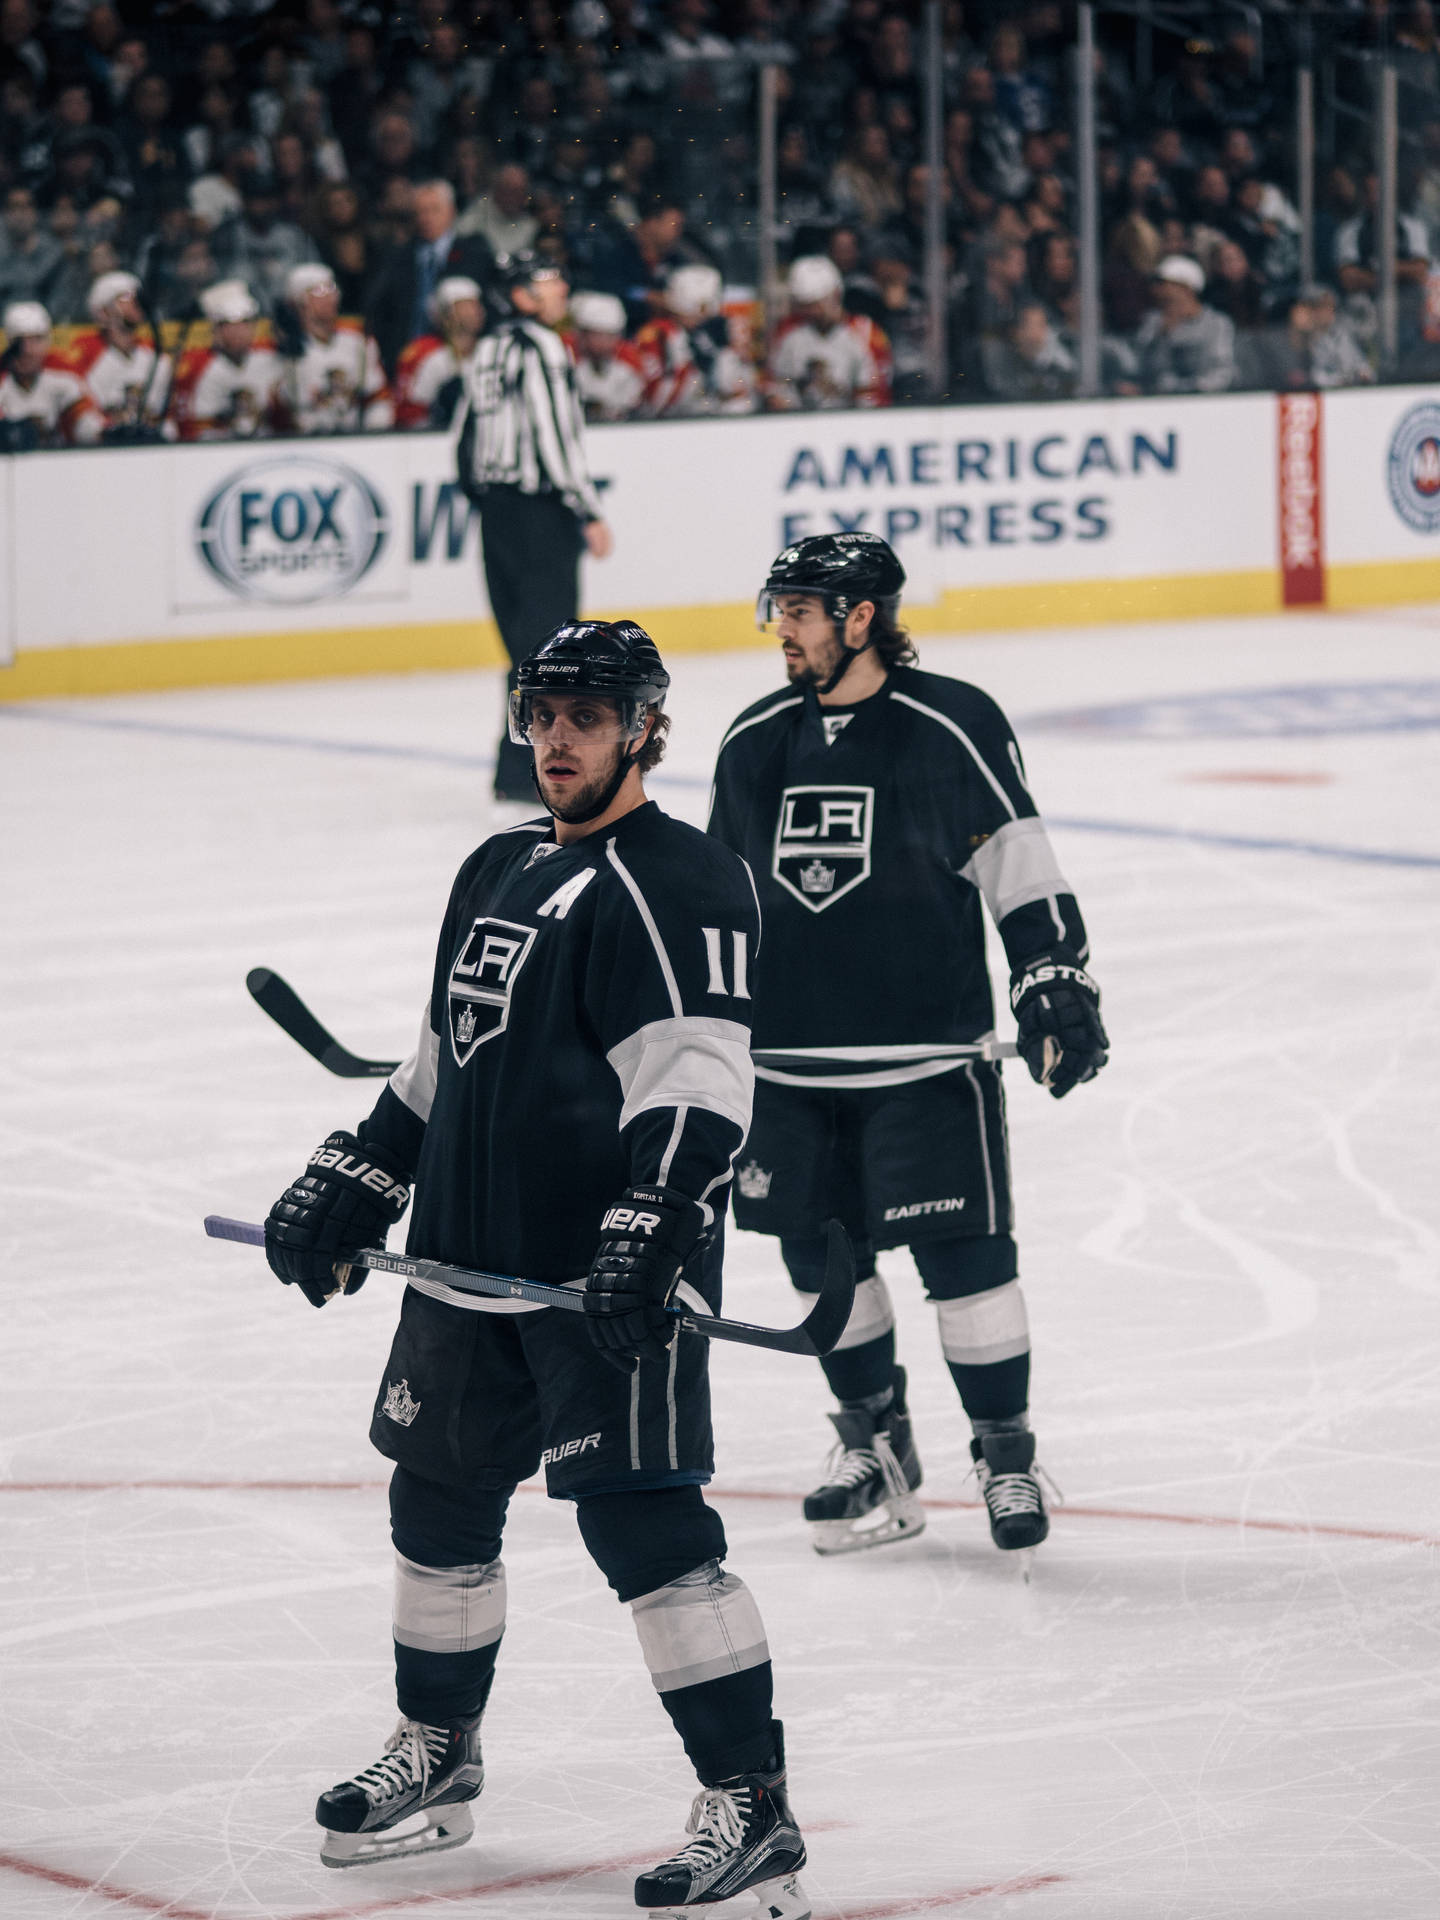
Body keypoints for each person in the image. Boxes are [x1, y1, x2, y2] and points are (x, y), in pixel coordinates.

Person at [260, 619, 808, 1920]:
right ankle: (438, 1753)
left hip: (603, 1277)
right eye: (542, 712)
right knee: (437, 1508)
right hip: (469, 1258)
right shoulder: (496, 865)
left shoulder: (682, 879)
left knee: (646, 1528)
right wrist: (362, 1169)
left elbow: (700, 1074)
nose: (558, 736)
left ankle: (754, 1805)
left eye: (586, 714)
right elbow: (448, 1054)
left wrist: (654, 1218)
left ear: (644, 729)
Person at [706, 533, 1109, 1559]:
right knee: (818, 1266)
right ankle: (877, 1443)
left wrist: (1052, 976)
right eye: (779, 610)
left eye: (799, 612)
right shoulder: (754, 741)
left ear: (859, 618)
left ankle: (1002, 1452)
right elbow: (713, 905)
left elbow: (1018, 859)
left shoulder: (948, 723)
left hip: (927, 1065)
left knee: (968, 1265)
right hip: (786, 1071)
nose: (781, 631)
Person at [456, 252, 614, 808]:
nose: (562, 287)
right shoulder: (543, 346)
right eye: (549, 281)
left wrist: (485, 498)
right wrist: (586, 507)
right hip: (540, 513)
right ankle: (536, 768)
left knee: (523, 648)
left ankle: (513, 765)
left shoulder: (487, 348)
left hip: (497, 516)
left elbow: (465, 433)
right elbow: (556, 439)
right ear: (522, 295)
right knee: (548, 650)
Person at [278, 262, 393, 434]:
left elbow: (378, 397)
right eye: (319, 292)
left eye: (332, 289)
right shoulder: (286, 350)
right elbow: (283, 410)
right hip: (305, 445)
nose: (330, 298)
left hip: (357, 439)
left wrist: (374, 430)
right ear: (299, 301)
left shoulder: (357, 341)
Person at [765, 256, 892, 411]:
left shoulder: (866, 333)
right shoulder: (787, 332)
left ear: (836, 295)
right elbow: (775, 385)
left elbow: (876, 395)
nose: (810, 312)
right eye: (804, 305)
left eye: (815, 304)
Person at [66, 268, 172, 438]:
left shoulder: (156, 356)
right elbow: (82, 423)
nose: (136, 302)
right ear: (103, 311)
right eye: (125, 297)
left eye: (135, 296)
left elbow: (169, 421)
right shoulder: (84, 356)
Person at [172, 278, 281, 440]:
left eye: (244, 323)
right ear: (216, 330)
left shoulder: (270, 359)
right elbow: (193, 429)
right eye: (229, 325)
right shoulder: (199, 368)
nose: (238, 332)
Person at [0, 300, 102, 448]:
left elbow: (89, 428)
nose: (28, 350)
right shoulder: (3, 388)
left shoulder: (65, 384)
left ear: (47, 343)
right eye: (19, 342)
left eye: (36, 340)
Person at [392, 275, 485, 430]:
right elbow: (409, 414)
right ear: (446, 313)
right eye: (466, 305)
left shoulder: (489, 349)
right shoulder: (426, 354)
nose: (476, 311)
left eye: (477, 304)